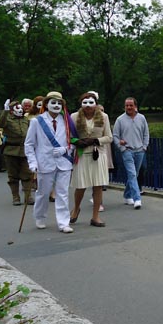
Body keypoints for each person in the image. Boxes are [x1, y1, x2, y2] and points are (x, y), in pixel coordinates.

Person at [24, 91, 76, 233]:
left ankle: (63, 223)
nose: (56, 105)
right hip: (44, 162)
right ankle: (40, 216)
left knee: (63, 193)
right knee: (43, 193)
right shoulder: (37, 121)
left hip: (64, 162)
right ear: (46, 104)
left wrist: (65, 149)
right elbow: (29, 144)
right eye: (53, 102)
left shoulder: (67, 121)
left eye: (59, 103)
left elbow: (74, 141)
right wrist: (32, 162)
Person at [69, 92, 113, 227]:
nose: (88, 106)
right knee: (80, 185)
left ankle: (95, 216)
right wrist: (77, 141)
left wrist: (95, 140)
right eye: (85, 103)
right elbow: (69, 136)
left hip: (97, 154)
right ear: (81, 104)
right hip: (82, 154)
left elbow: (109, 137)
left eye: (91, 103)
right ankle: (76, 209)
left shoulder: (104, 117)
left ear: (96, 104)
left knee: (98, 185)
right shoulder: (74, 117)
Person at [112, 97, 150, 209]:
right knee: (132, 174)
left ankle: (127, 195)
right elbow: (115, 136)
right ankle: (137, 198)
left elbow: (146, 134)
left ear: (135, 106)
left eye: (131, 105)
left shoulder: (142, 118)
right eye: (127, 105)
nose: (128, 107)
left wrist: (144, 147)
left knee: (135, 174)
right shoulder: (120, 120)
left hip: (140, 150)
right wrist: (121, 147)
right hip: (127, 150)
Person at [0, 99, 33, 205]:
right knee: (13, 176)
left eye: (21, 108)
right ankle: (15, 197)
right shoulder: (7, 119)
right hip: (11, 151)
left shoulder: (26, 119)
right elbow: (0, 124)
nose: (20, 110)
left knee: (27, 174)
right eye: (17, 108)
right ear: (12, 110)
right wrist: (5, 111)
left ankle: (28, 196)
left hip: (25, 151)